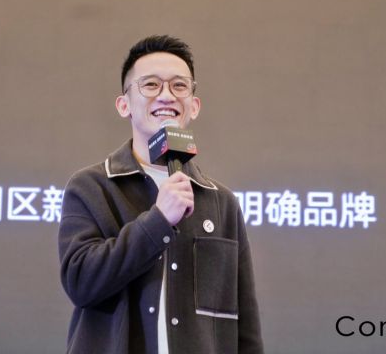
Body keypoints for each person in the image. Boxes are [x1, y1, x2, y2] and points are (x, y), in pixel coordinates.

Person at [58, 35, 264, 354]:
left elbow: (244, 324)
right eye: (151, 85)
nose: (166, 96)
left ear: (194, 106)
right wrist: (158, 221)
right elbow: (81, 283)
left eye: (179, 86)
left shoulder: (220, 202)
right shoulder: (91, 186)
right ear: (124, 105)